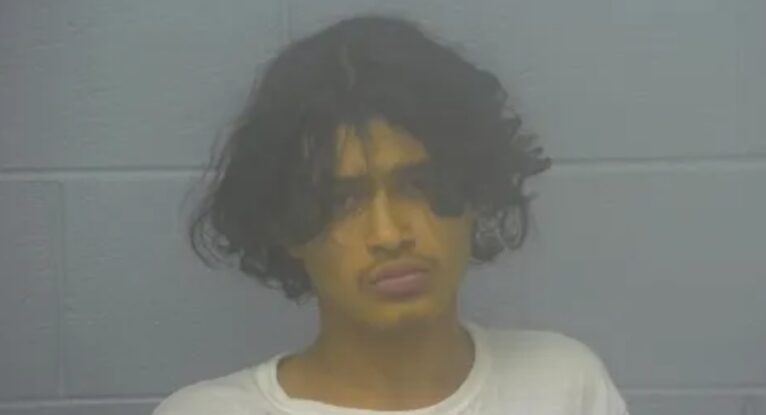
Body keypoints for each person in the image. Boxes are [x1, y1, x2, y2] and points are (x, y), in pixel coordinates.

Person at [154, 15, 629, 415]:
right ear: (286, 226)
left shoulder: (564, 387)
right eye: (342, 201)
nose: (389, 233)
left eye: (419, 185)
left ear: (475, 190)